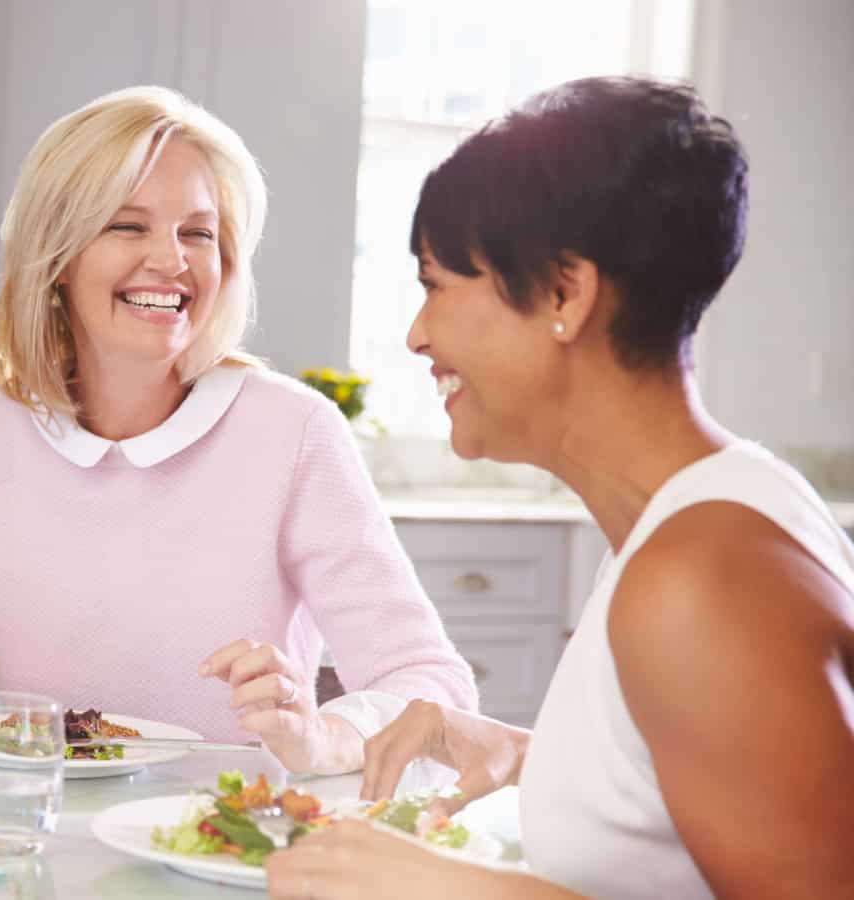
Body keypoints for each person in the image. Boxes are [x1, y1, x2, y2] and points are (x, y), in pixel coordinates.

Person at [0, 86, 475, 770]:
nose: (172, 260)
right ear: (57, 257)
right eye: (127, 225)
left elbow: (431, 682)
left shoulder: (292, 434)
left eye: (198, 233)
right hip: (32, 833)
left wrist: (327, 737)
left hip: (228, 838)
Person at [267, 76, 854, 899]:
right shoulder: (713, 513)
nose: (416, 335)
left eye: (435, 284)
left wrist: (454, 889)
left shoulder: (702, 583)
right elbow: (707, 801)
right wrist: (523, 756)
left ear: (563, 293)